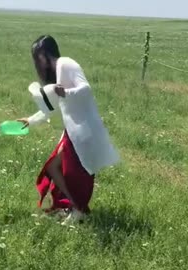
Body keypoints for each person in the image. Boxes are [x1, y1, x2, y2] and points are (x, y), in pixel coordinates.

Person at [17, 35, 120, 225]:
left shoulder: (65, 63)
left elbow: (86, 89)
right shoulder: (58, 73)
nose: (38, 63)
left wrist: (66, 93)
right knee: (53, 167)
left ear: (44, 54)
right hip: (72, 132)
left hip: (82, 131)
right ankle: (74, 207)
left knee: (74, 173)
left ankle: (78, 210)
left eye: (38, 57)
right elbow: (52, 108)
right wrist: (30, 121)